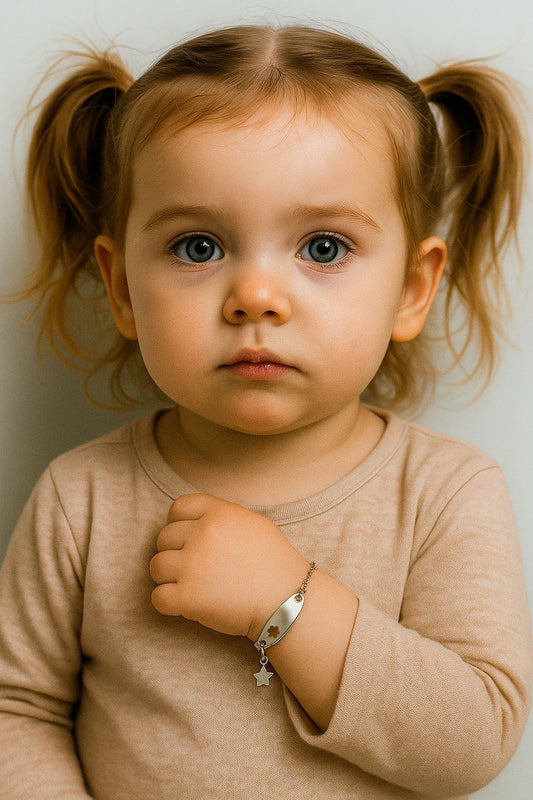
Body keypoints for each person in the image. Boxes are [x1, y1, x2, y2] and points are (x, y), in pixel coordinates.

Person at [0, 23, 531, 800]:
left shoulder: (444, 492)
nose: (255, 297)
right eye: (197, 247)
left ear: (413, 289)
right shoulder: (81, 497)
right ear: (119, 287)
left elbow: (473, 744)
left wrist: (286, 602)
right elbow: (18, 710)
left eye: (322, 248)